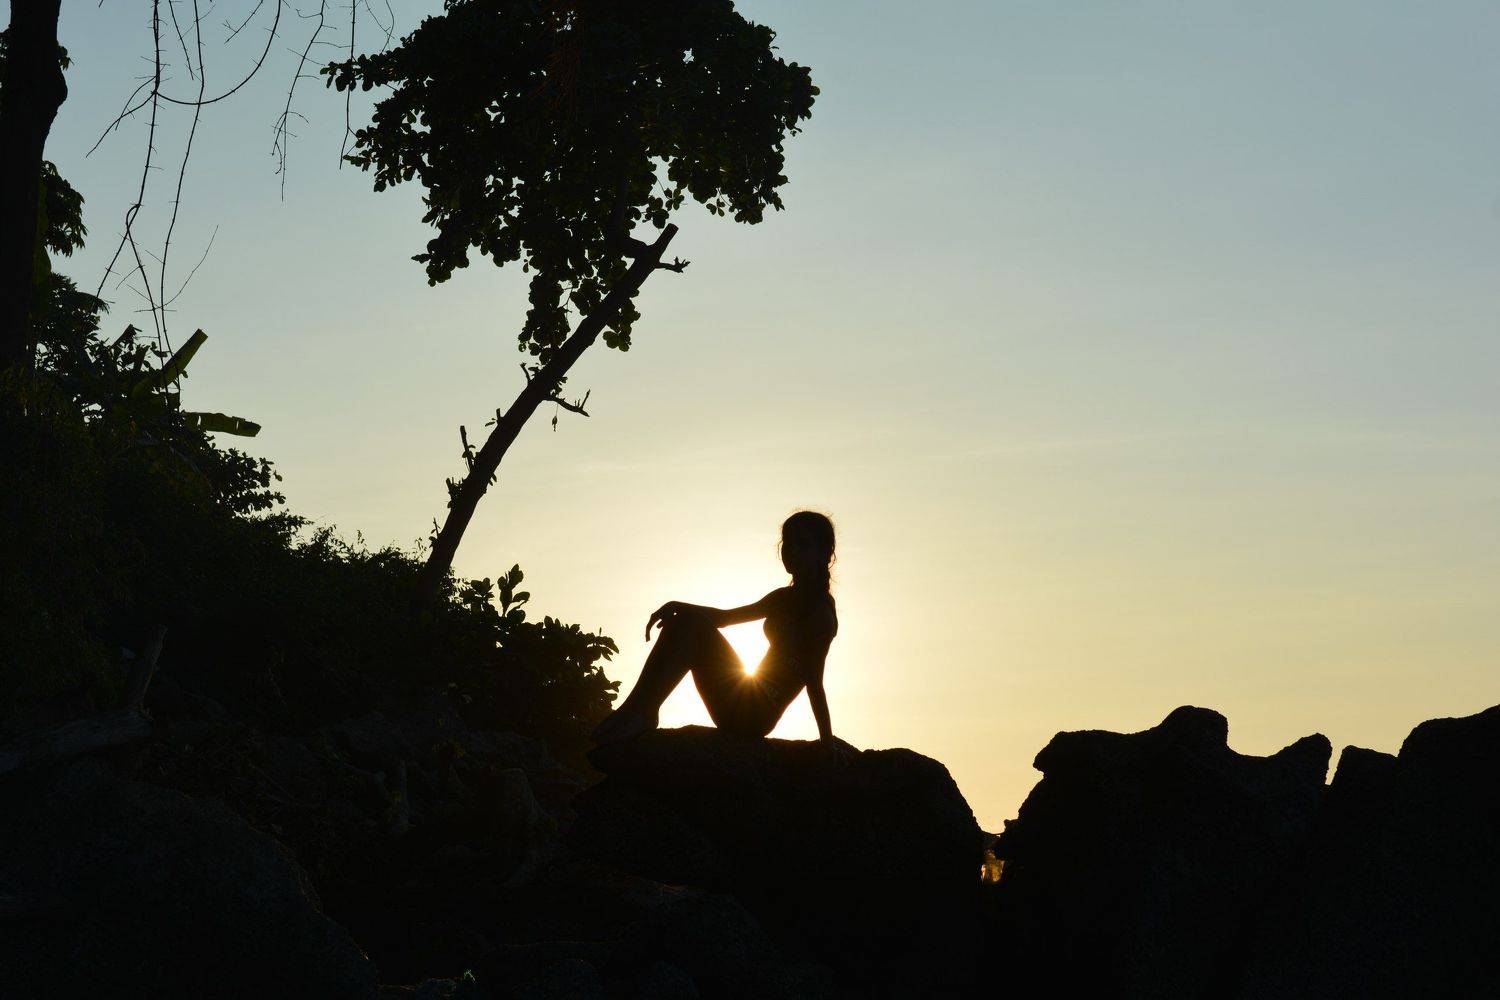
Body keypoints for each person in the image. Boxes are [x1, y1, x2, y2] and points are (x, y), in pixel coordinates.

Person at [590, 511, 850, 760]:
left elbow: (814, 681)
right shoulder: (783, 598)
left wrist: (826, 743)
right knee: (686, 622)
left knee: (690, 624)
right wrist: (678, 606)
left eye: (802, 544)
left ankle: (641, 713)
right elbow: (725, 618)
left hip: (754, 714)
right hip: (744, 693)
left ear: (824, 553)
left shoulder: (820, 616)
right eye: (788, 543)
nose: (791, 551)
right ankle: (637, 711)